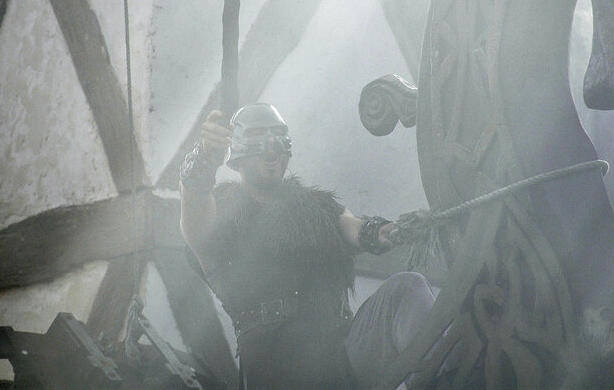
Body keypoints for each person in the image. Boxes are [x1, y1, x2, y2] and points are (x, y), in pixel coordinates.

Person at [179, 103, 438, 388]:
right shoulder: (222, 215)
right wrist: (204, 159)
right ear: (238, 156)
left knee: (406, 289)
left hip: (340, 354)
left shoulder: (315, 210)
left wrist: (393, 231)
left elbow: (355, 228)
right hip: (274, 369)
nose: (270, 150)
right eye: (260, 141)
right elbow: (196, 219)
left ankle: (444, 380)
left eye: (277, 141)